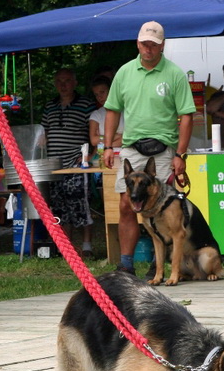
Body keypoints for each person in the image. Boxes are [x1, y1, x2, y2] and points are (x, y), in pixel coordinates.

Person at [103, 21, 196, 275]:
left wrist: (180, 154)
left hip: (163, 150)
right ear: (137, 43)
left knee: (164, 208)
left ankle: (159, 265)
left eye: (153, 45)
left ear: (162, 45)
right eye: (145, 43)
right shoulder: (124, 72)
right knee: (126, 204)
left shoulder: (175, 74)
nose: (148, 49)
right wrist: (108, 146)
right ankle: (126, 264)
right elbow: (112, 110)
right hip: (132, 148)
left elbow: (187, 116)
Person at [41, 68, 96, 258]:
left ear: (75, 83)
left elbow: (95, 133)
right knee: (59, 207)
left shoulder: (86, 105)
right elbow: (43, 134)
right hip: (54, 165)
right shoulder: (50, 106)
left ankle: (87, 246)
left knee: (81, 204)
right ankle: (67, 248)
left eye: (67, 81)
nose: (63, 85)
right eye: (59, 81)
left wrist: (91, 156)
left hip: (76, 163)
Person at [88, 75, 123, 148]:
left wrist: (103, 142)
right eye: (96, 94)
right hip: (104, 153)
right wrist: (118, 136)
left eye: (102, 92)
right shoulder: (96, 114)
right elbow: (93, 140)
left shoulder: (125, 111)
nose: (99, 97)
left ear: (111, 90)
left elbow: (130, 138)